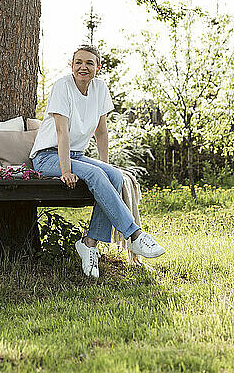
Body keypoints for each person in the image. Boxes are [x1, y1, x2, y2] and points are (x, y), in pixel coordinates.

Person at [30, 44, 165, 278]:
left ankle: (89, 244)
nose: (83, 67)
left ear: (98, 67)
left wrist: (106, 165)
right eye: (78, 62)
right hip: (48, 157)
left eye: (89, 63)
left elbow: (101, 132)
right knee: (96, 175)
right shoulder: (63, 86)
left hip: (77, 155)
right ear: (71, 66)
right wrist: (65, 170)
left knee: (114, 176)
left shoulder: (100, 88)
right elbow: (62, 131)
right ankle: (134, 235)